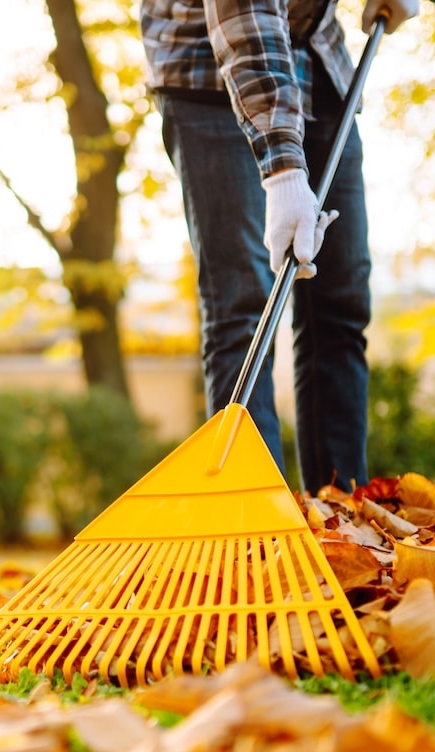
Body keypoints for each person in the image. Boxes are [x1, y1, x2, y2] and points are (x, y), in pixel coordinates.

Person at [141, 0, 420, 493]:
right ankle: (256, 525)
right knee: (244, 307)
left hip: (316, 59)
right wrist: (284, 171)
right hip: (206, 65)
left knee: (340, 303)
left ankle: (342, 520)